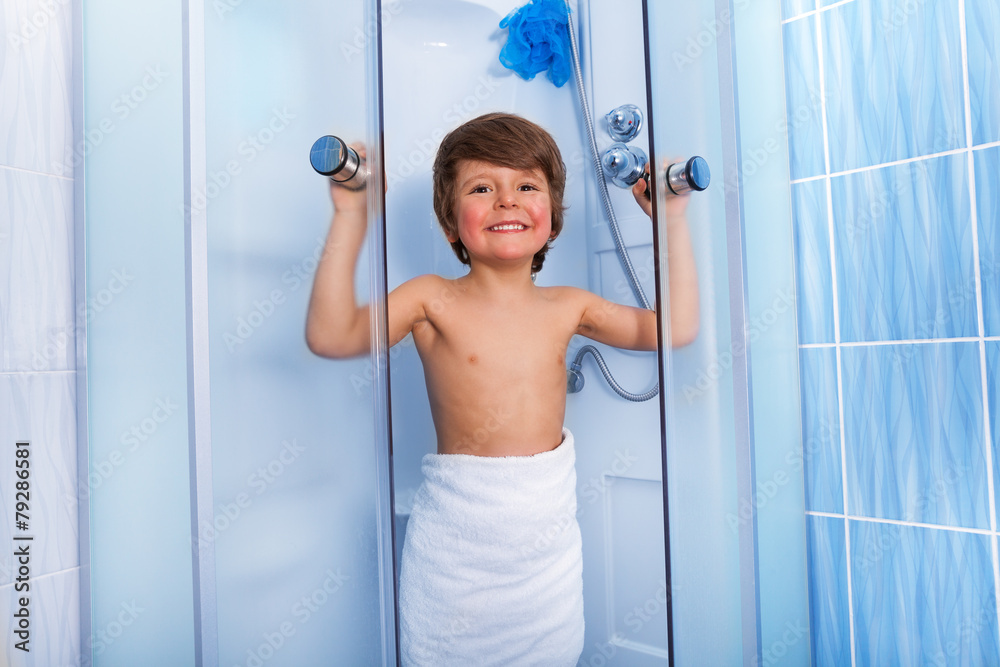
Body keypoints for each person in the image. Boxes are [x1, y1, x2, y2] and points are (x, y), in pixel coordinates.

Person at [306, 112, 698, 665]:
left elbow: (673, 329)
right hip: (459, 557)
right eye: (482, 188)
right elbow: (331, 335)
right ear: (450, 223)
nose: (506, 201)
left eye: (527, 186)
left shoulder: (568, 306)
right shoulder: (430, 298)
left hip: (542, 560)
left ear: (553, 221)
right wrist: (352, 213)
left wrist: (670, 223)